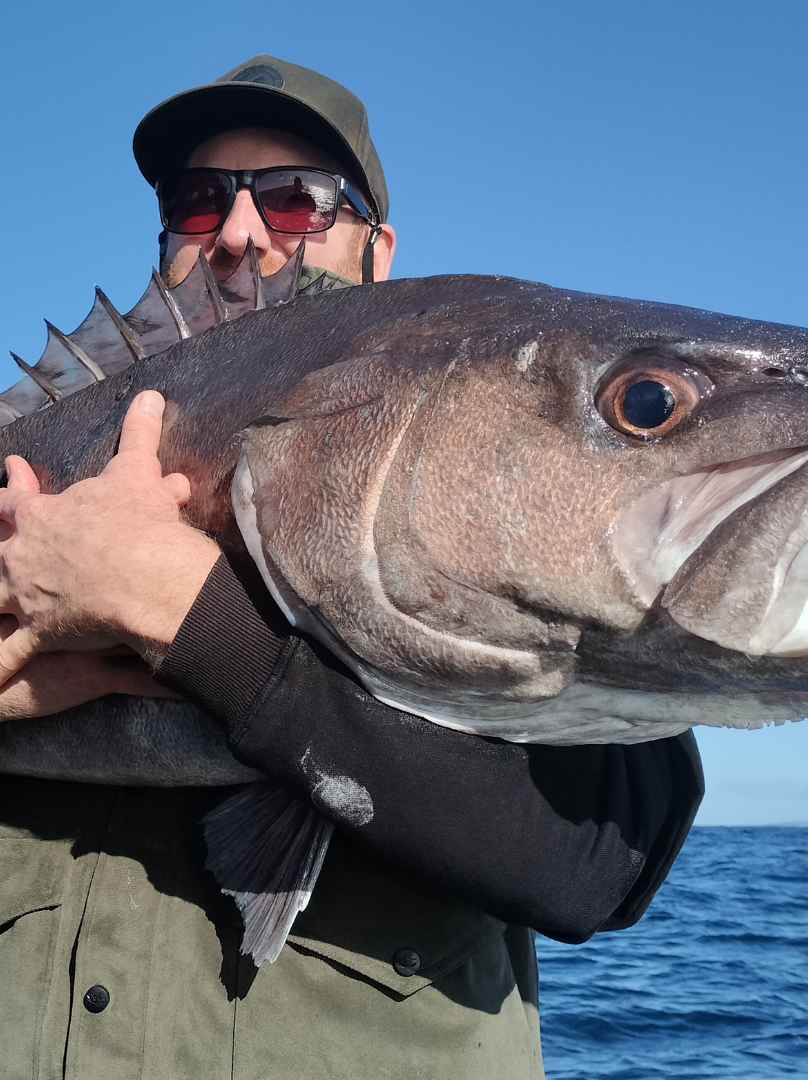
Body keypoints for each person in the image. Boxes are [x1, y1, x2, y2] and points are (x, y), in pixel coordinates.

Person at [0, 56, 703, 1078]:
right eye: (198, 202)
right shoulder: (38, 462)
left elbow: (597, 860)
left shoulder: (502, 478)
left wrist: (181, 611)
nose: (240, 234)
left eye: (297, 199)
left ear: (380, 250)